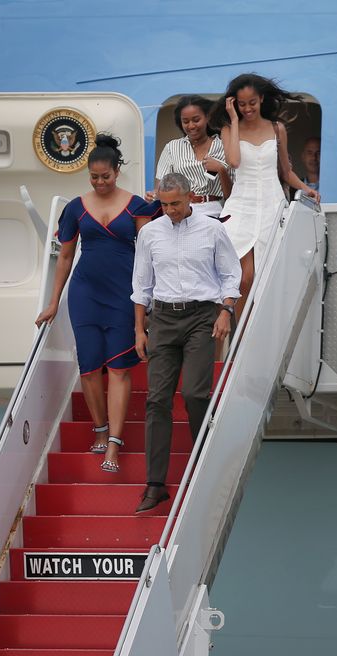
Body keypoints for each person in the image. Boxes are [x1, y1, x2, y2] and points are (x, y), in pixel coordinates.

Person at [36, 135, 155, 473]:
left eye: (106, 176)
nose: (100, 182)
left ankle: (114, 443)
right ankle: (100, 429)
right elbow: (65, 258)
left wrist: (146, 305)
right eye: (94, 177)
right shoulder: (75, 207)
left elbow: (147, 256)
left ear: (117, 171)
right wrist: (53, 303)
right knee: (88, 367)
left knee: (118, 368)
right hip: (85, 292)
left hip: (124, 294)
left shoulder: (136, 206)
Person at [131, 172, 241, 514]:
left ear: (190, 197)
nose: (170, 211)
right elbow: (141, 285)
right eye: (164, 205)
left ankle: (204, 464)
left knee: (194, 393)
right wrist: (139, 330)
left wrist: (225, 311)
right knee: (157, 399)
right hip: (162, 319)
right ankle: (155, 484)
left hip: (202, 316)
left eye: (176, 203)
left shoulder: (212, 229)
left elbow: (230, 274)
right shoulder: (150, 233)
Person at [212, 73, 321, 320]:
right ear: (234, 104)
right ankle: (237, 339)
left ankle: (258, 337)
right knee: (243, 277)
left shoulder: (276, 128)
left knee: (266, 277)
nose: (248, 108)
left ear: (261, 99)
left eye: (252, 102)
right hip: (241, 207)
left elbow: (285, 171)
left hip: (272, 205)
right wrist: (234, 120)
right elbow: (234, 162)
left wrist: (306, 189)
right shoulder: (229, 129)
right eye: (242, 104)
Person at [147, 95, 232, 216]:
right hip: (181, 211)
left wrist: (221, 169)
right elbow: (160, 188)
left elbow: (231, 195)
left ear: (207, 117)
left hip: (214, 211)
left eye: (196, 120)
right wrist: (153, 195)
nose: (191, 126)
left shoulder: (224, 146)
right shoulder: (172, 148)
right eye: (185, 122)